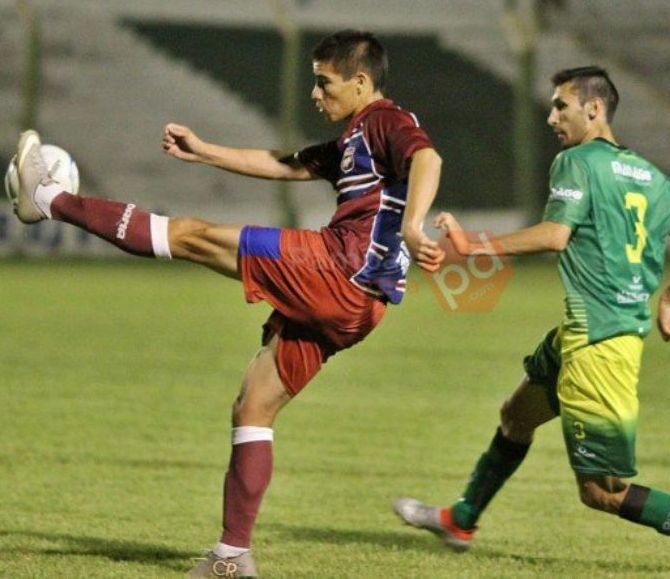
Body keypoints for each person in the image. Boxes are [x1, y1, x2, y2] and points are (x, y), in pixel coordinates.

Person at [10, 29, 444, 578]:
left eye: (324, 83)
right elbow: (287, 164)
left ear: (360, 82)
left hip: (338, 269)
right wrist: (205, 152)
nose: (315, 94)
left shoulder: (385, 120)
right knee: (254, 405)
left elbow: (427, 158)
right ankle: (232, 557)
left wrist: (412, 224)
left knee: (192, 236)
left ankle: (46, 198)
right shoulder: (354, 138)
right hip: (360, 305)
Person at [393, 66, 670, 574]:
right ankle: (462, 518)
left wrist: (470, 247)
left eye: (560, 105)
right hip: (582, 331)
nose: (551, 116)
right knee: (515, 416)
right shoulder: (653, 177)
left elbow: (554, 236)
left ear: (594, 109)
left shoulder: (576, 161)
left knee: (603, 492)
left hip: (602, 346)